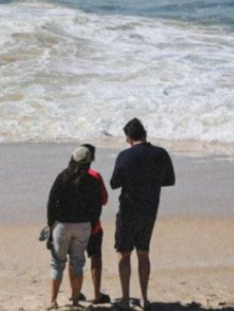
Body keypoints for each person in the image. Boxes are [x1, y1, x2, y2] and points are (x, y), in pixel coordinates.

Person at [110, 118, 176, 310]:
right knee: (143, 253)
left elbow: (114, 183)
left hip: (128, 210)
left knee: (123, 254)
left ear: (129, 139)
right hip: (150, 210)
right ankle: (145, 298)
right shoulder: (161, 154)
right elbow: (169, 180)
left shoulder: (125, 156)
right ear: (145, 134)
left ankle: (125, 298)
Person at [46, 146, 103, 309]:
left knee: (57, 263)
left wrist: (50, 223)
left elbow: (51, 202)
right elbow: (97, 206)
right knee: (78, 262)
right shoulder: (92, 181)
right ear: (89, 162)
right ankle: (76, 301)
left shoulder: (62, 177)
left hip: (62, 225)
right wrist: (92, 224)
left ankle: (53, 301)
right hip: (83, 225)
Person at [81, 144, 110, 304]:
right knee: (95, 258)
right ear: (92, 158)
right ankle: (97, 294)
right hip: (93, 226)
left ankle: (75, 293)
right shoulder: (95, 176)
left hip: (74, 224)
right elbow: (104, 200)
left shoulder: (68, 175)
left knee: (75, 259)